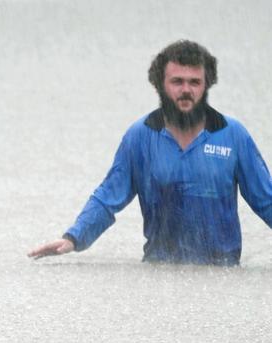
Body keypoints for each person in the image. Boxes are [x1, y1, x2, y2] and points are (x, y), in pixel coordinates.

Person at [28, 40, 272, 266]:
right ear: (160, 84)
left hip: (223, 274)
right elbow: (108, 197)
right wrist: (73, 238)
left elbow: (266, 200)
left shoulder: (233, 135)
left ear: (207, 83)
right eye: (177, 81)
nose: (186, 90)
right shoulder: (140, 137)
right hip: (159, 273)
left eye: (194, 82)